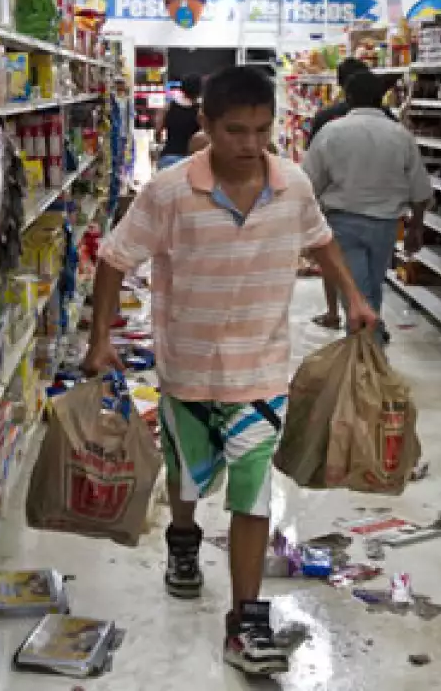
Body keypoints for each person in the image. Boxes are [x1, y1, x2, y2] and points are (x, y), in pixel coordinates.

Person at [81, 65, 378, 676]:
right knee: (186, 481)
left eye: (262, 130)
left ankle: (245, 622)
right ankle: (182, 543)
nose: (250, 144)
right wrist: (100, 336)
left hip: (261, 373)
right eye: (236, 130)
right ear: (207, 126)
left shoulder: (292, 185)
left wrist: (353, 296)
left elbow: (321, 240)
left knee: (252, 492)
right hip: (187, 367)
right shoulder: (166, 192)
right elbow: (113, 258)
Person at [302, 71, 432, 341]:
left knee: (357, 293)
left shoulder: (331, 132)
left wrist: (307, 228)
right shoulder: (400, 135)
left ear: (348, 97)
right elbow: (419, 188)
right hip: (385, 225)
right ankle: (371, 347)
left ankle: (365, 355)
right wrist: (415, 228)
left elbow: (308, 184)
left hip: (343, 222)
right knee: (372, 287)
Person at [307, 57, 394, 329]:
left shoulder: (326, 118)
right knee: (371, 277)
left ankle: (337, 313)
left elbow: (313, 164)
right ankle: (370, 321)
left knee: (333, 261)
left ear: (342, 85)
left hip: (337, 207)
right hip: (383, 208)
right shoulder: (389, 120)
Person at [154, 74, 202, 170]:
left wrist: (160, 142)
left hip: (168, 157)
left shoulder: (168, 108)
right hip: (190, 160)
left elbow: (158, 132)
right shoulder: (200, 113)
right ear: (199, 91)